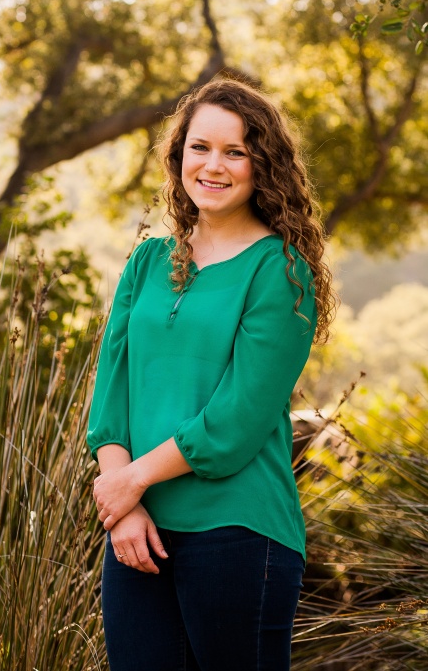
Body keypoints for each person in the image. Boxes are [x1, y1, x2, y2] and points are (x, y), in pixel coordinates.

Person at [86, 78, 337, 671]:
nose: (213, 166)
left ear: (263, 166)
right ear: (179, 158)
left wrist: (130, 484)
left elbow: (237, 420)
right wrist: (123, 504)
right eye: (200, 147)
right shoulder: (147, 261)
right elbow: (109, 397)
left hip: (238, 531)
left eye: (236, 152)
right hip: (136, 533)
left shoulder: (279, 271)